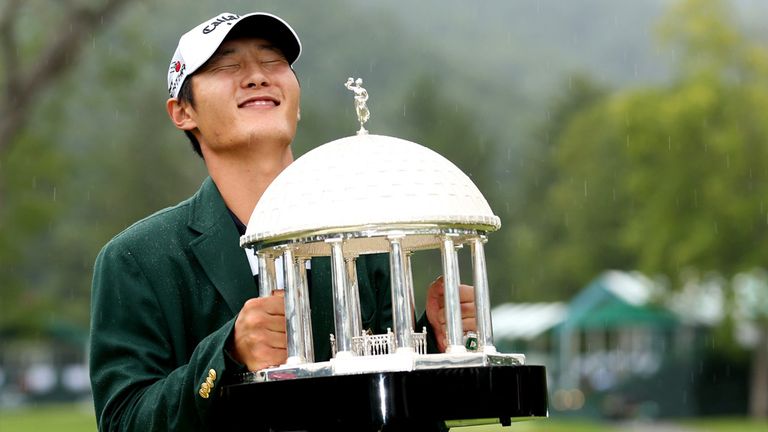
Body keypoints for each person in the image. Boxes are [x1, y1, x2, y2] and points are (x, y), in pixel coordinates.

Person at [89, 11, 475, 431]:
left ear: (297, 99)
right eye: (227, 66)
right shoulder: (137, 258)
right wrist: (228, 354)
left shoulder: (367, 236)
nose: (257, 76)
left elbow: (392, 408)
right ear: (183, 111)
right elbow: (124, 421)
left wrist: (437, 345)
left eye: (273, 62)